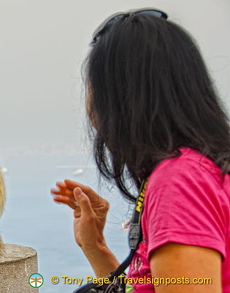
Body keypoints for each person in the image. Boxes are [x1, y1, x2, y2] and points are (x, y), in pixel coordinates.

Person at [51, 8, 230, 293]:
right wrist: (96, 246)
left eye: (92, 87)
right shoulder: (202, 169)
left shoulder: (179, 181)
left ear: (119, 98)